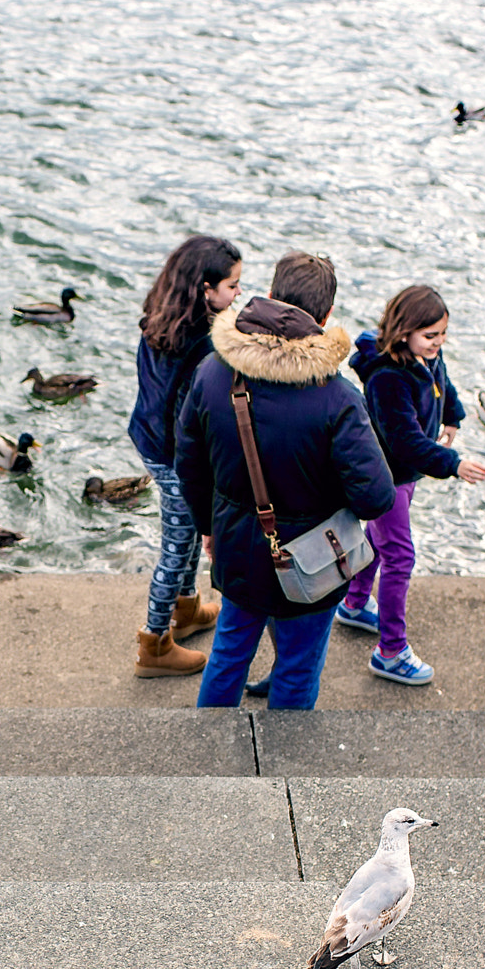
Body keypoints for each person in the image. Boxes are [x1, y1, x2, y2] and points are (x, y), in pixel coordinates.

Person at [176, 252, 396, 709]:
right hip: (312, 560)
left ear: (272, 296)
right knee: (297, 668)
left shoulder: (214, 371)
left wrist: (208, 527)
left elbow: (189, 462)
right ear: (327, 316)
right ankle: (281, 776)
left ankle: (205, 758)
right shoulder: (337, 397)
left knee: (228, 654)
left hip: (236, 543)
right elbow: (375, 496)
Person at [344, 284, 485, 685]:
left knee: (378, 541)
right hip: (387, 476)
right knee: (400, 556)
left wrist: (453, 416)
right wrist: (454, 465)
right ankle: (390, 651)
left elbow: (443, 382)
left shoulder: (425, 355)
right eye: (431, 336)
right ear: (404, 331)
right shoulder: (387, 379)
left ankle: (354, 604)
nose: (439, 344)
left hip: (405, 475)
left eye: (443, 334)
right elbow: (405, 442)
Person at [128, 235, 243, 678]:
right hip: (176, 454)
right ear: (205, 289)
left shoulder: (159, 319)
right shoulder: (201, 345)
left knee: (189, 530)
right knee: (176, 547)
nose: (238, 295)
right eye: (233, 286)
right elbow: (195, 418)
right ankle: (154, 645)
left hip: (149, 437)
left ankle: (188, 609)